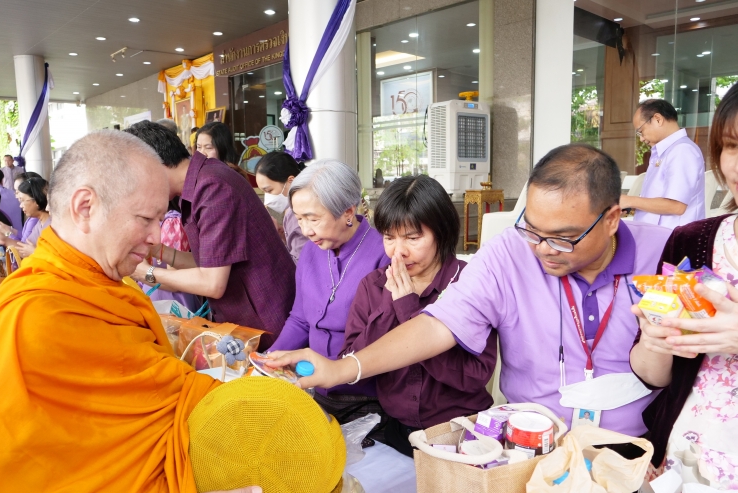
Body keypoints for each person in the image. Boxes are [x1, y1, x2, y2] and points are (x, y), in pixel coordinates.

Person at [0, 130, 263, 493]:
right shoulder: (36, 315)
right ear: (86, 207)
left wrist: (265, 396)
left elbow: (156, 396)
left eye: (161, 219)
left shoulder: (105, 288)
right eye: (146, 219)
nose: (156, 237)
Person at [270, 144, 673, 438]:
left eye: (564, 237)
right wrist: (340, 368)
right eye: (532, 228)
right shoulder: (509, 253)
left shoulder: (668, 254)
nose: (542, 249)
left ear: (611, 219)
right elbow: (439, 324)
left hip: (632, 444)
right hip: (530, 439)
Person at [630, 83, 738, 489]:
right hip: (682, 468)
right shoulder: (690, 243)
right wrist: (653, 341)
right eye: (731, 146)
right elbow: (655, 377)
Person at [342, 175, 498, 456]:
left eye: (413, 238)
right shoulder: (374, 286)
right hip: (396, 430)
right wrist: (390, 306)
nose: (399, 253)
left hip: (459, 432)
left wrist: (408, 309)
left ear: (441, 231)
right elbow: (354, 362)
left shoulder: (469, 283)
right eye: (389, 238)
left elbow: (474, 374)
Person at [125, 120, 295, 351]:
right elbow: (210, 262)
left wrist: (146, 273)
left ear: (151, 166)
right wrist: (160, 252)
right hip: (249, 318)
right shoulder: (201, 182)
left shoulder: (212, 186)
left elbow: (212, 282)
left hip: (266, 321)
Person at [268, 159, 390, 426]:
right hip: (316, 389)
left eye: (313, 219)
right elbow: (300, 318)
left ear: (348, 211)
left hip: (367, 398)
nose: (306, 230)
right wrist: (269, 360)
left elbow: (386, 340)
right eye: (299, 219)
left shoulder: (384, 254)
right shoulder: (312, 249)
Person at [621, 99, 706, 229]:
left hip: (674, 239)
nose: (641, 138)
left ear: (658, 119)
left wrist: (630, 200)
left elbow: (676, 206)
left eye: (640, 131)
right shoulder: (665, 151)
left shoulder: (682, 150)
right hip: (660, 237)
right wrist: (632, 205)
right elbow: (659, 196)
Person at [0, 174, 51, 260]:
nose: (21, 206)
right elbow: (25, 249)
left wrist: (35, 252)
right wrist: (4, 240)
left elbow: (58, 259)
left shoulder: (53, 224)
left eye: (23, 200)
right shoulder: (40, 222)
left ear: (37, 200)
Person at [255, 152, 308, 263]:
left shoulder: (296, 212)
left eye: (269, 190)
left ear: (291, 181)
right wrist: (282, 234)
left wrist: (273, 237)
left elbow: (299, 262)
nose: (267, 197)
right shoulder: (291, 208)